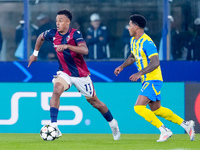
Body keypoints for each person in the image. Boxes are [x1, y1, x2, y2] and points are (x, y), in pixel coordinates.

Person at [28, 9, 120, 140]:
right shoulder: (52, 33)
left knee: (96, 103)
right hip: (64, 72)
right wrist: (35, 54)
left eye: (60, 21)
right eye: (56, 21)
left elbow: (85, 50)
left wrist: (67, 46)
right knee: (56, 90)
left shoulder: (75, 34)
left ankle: (112, 123)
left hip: (80, 75)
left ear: (68, 22)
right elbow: (40, 37)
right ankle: (54, 126)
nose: (57, 23)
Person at [114, 14, 195, 142]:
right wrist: (122, 66)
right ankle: (186, 125)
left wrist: (139, 73)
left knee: (138, 107)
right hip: (147, 79)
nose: (128, 28)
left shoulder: (148, 42)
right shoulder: (134, 40)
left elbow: (156, 62)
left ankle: (164, 130)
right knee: (157, 109)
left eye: (130, 25)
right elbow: (132, 57)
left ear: (136, 27)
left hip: (152, 78)